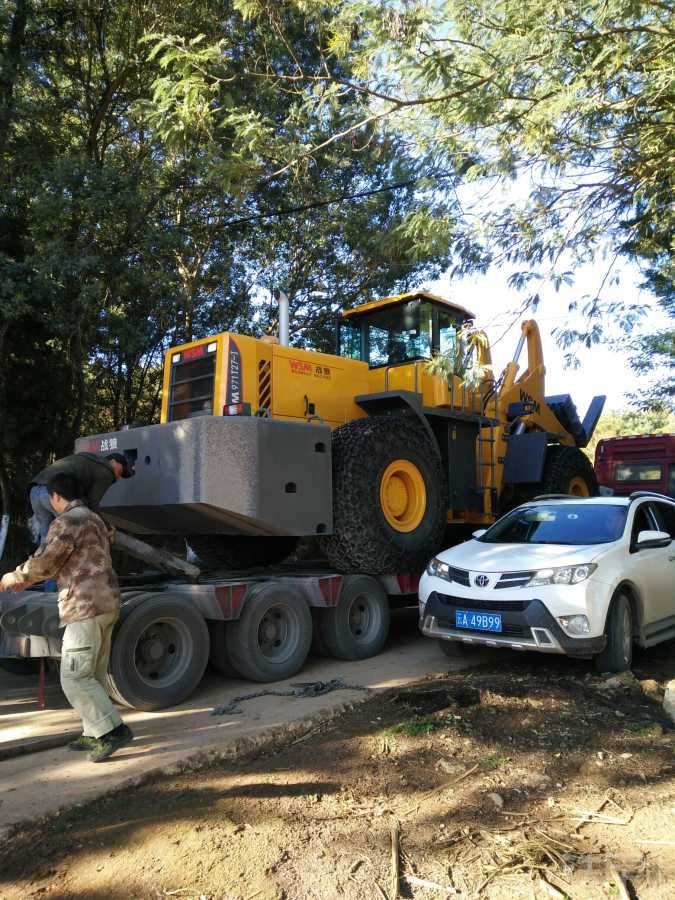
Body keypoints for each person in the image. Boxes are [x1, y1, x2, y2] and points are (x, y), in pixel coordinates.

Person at [0, 472, 133, 762]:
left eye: (51, 499)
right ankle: (93, 731)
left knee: (73, 678)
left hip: (84, 607)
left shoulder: (67, 521)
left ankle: (113, 731)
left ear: (56, 497)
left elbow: (47, 561)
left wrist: (16, 577)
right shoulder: (95, 519)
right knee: (93, 676)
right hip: (107, 603)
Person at [29, 451, 134, 545]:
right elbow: (92, 506)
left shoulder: (89, 458)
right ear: (113, 461)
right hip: (56, 494)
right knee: (69, 534)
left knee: (46, 539)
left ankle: (43, 564)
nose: (118, 477)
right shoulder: (106, 471)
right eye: (121, 471)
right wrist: (106, 527)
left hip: (35, 489)